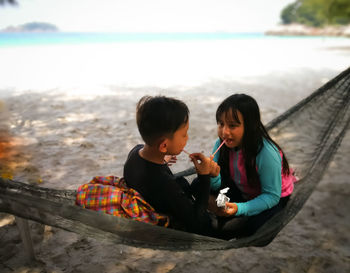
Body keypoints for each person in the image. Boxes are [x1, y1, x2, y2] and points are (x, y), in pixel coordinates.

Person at [123, 95, 220, 236]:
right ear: (163, 145)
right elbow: (197, 223)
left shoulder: (136, 152)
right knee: (198, 184)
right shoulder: (164, 183)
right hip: (178, 219)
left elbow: (150, 169)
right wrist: (204, 176)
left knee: (186, 183)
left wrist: (163, 158)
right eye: (184, 134)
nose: (187, 138)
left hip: (154, 194)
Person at [209, 93, 297, 238]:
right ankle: (224, 214)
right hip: (241, 189)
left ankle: (232, 218)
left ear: (250, 127)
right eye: (221, 124)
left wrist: (240, 208)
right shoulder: (220, 144)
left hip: (270, 197)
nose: (225, 132)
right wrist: (211, 175)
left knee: (255, 229)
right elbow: (216, 185)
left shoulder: (266, 153)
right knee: (199, 183)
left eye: (232, 125)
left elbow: (271, 196)